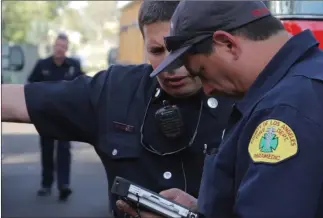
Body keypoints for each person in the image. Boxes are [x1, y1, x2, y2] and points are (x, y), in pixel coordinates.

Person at [1, 1, 234, 217]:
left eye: (181, 49)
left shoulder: (242, 98)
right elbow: (19, 100)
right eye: (156, 51)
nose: (170, 67)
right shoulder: (115, 90)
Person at [124, 1, 323, 218]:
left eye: (202, 72)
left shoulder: (287, 110)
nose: (208, 90)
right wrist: (205, 208)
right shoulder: (321, 75)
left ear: (227, 44)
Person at [27, 33, 84, 201]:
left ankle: (64, 185)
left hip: (65, 116)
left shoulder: (73, 65)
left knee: (64, 150)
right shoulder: (42, 65)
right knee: (47, 150)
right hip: (45, 115)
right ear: (53, 46)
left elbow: (82, 86)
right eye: (57, 45)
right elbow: (31, 85)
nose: (60, 49)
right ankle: (46, 184)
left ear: (66, 48)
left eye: (63, 46)